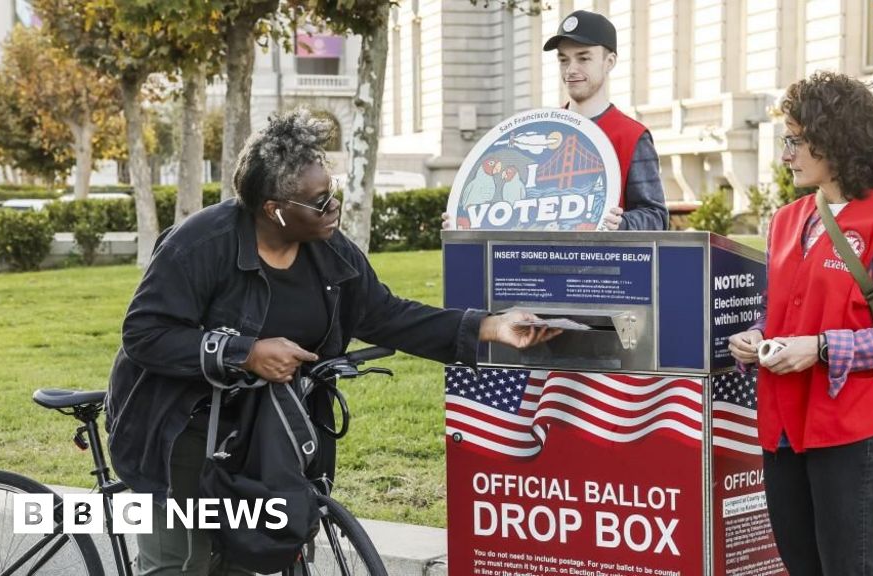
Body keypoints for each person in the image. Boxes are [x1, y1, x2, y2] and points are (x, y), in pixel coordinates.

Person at [106, 109, 559, 575]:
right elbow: (146, 334)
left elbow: (384, 314)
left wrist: (489, 326)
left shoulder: (330, 250)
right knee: (180, 565)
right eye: (319, 201)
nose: (333, 207)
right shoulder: (201, 244)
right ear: (273, 209)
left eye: (333, 192)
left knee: (249, 558)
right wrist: (248, 353)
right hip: (177, 431)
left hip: (261, 433)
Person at [728, 71, 873, 576]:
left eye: (795, 139)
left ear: (835, 138)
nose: (786, 153)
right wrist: (757, 333)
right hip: (782, 429)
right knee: (800, 567)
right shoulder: (785, 220)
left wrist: (822, 348)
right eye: (786, 139)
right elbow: (781, 304)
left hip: (851, 433)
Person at [444, 10, 668, 231]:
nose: (571, 69)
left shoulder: (632, 136)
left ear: (609, 62)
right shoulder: (544, 132)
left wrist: (624, 224)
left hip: (600, 265)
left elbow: (656, 217)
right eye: (564, 60)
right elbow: (517, 209)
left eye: (583, 58)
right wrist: (463, 220)